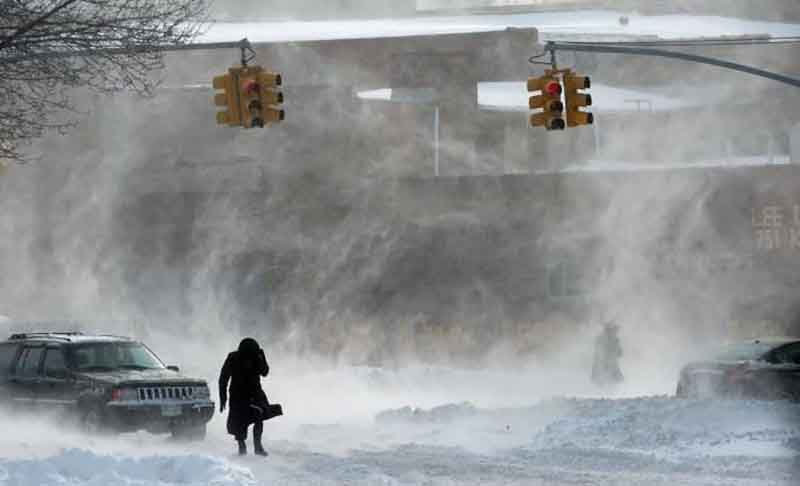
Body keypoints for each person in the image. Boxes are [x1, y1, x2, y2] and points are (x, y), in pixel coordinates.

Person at [219, 337, 283, 456]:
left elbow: (264, 372)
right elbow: (224, 378)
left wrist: (261, 357)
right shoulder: (233, 357)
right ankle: (242, 447)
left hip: (254, 394)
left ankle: (257, 447)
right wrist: (223, 397)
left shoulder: (256, 357)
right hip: (239, 396)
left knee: (258, 415)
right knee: (240, 421)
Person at [591, 322, 624, 387]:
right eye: (614, 330)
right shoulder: (612, 339)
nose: (616, 332)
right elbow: (619, 353)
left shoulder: (614, 339)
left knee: (614, 381)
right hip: (605, 364)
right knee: (605, 381)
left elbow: (619, 353)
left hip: (608, 364)